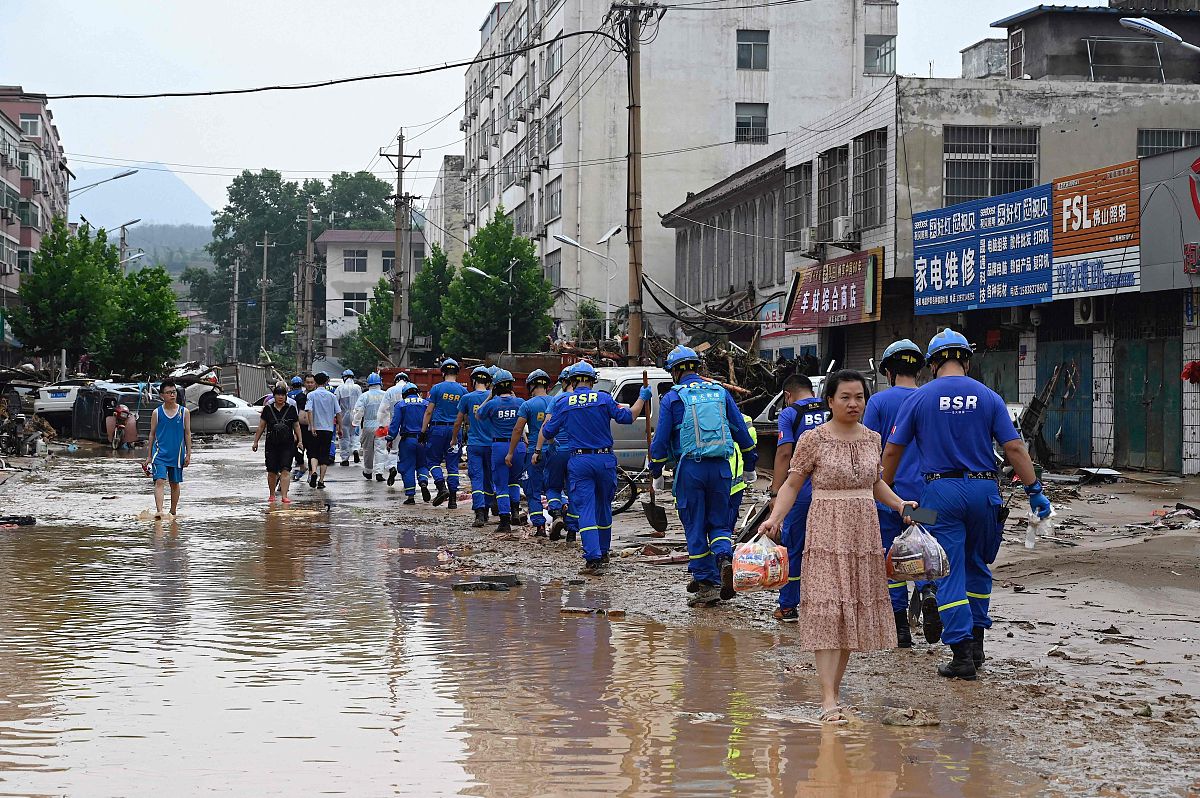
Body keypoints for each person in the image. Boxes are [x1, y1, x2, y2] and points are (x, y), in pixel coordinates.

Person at [883, 329, 1052, 680]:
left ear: (933, 364)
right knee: (978, 566)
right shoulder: (989, 397)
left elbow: (893, 452)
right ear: (966, 361)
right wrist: (1034, 491)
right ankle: (977, 644)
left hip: (940, 494)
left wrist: (882, 488)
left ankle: (961, 654)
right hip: (984, 491)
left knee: (948, 570)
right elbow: (1014, 448)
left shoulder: (919, 398)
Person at [759, 370, 914, 723]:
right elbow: (792, 484)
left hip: (864, 534)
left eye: (859, 397)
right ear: (830, 401)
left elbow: (875, 483)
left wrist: (900, 505)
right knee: (828, 610)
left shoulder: (872, 439)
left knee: (849, 614)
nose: (853, 403)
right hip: (826, 530)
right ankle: (827, 699)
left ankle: (836, 693)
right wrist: (776, 518)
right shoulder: (813, 439)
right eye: (845, 397)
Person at [649, 346, 757, 606]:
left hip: (691, 469)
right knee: (719, 523)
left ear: (674, 372)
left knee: (695, 524)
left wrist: (656, 472)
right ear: (697, 368)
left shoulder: (673, 398)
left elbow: (660, 441)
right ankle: (724, 559)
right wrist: (750, 464)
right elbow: (741, 431)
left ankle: (706, 584)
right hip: (720, 468)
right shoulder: (720, 392)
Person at [539, 361, 650, 576]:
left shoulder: (564, 402)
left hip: (580, 461)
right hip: (605, 459)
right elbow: (629, 417)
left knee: (586, 509)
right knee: (604, 506)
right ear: (592, 381)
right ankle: (604, 551)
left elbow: (548, 431)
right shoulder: (603, 398)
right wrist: (642, 398)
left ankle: (593, 559)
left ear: (572, 382)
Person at [863, 339, 927, 648]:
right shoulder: (929, 398)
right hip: (924, 497)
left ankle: (900, 629)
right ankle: (928, 592)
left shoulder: (878, 402)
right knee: (924, 549)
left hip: (887, 496)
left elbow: (868, 447)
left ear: (888, 372)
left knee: (891, 558)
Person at [771, 374, 830, 623]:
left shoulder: (790, 414)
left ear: (787, 395)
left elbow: (785, 453)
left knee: (794, 547)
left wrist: (776, 492)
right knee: (828, 548)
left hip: (802, 490)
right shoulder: (831, 408)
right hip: (832, 491)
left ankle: (788, 606)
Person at [478, 369, 525, 533]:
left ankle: (505, 521)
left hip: (500, 447)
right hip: (519, 446)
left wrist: (489, 397)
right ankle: (516, 512)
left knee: (501, 484)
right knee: (514, 481)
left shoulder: (492, 404)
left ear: (495, 387)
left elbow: (478, 415)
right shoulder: (520, 402)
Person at [507, 369, 552, 536]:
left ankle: (540, 527)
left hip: (534, 453)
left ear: (531, 386)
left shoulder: (528, 405)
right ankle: (560, 513)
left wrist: (510, 453)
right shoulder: (556, 401)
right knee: (555, 488)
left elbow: (518, 429)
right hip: (555, 451)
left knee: (532, 489)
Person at [451, 366, 495, 527]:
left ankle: (479, 512)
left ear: (473, 380)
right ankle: (488, 509)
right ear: (488, 382)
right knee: (489, 478)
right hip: (492, 445)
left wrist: (454, 439)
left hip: (474, 445)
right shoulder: (493, 399)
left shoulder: (467, 398)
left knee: (477, 478)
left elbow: (458, 422)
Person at [143, 379, 192, 520]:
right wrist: (149, 456)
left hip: (177, 454)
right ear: (162, 395)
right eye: (169, 392)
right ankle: (159, 511)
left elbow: (187, 433)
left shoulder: (184, 412)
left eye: (174, 392)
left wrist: (188, 454)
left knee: (174, 483)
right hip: (159, 453)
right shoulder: (157, 413)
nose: (172, 395)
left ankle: (173, 512)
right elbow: (152, 434)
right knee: (159, 481)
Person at [421, 358, 467, 508]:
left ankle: (441, 487)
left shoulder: (436, 388)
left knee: (432, 461)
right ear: (457, 373)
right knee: (452, 464)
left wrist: (423, 431)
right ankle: (453, 500)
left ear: (443, 372)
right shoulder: (463, 391)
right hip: (455, 430)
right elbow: (465, 416)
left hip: (437, 430)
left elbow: (429, 411)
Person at [538, 367, 577, 541]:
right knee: (574, 489)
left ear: (564, 382)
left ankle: (557, 514)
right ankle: (572, 532)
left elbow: (546, 426)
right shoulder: (584, 400)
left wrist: (543, 447)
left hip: (557, 450)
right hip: (577, 452)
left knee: (553, 487)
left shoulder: (557, 399)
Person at [253, 384, 303, 503]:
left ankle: (284, 496)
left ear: (286, 396)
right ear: (274, 396)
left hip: (287, 445)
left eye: (283, 395)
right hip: (272, 444)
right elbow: (261, 426)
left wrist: (300, 441)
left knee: (286, 469)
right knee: (271, 471)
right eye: (278, 395)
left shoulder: (291, 409)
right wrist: (255, 442)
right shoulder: (268, 409)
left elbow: (296, 426)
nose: (280, 397)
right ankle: (272, 494)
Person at [386, 383, 429, 505]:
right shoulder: (426, 403)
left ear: (404, 394)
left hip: (408, 441)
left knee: (407, 467)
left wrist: (390, 438)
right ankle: (423, 482)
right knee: (423, 465)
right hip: (423, 440)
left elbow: (395, 423)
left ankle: (410, 496)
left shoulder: (401, 405)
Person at [304, 372, 341, 489]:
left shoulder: (311, 395)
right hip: (328, 429)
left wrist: (312, 426)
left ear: (315, 381)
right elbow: (338, 413)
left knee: (313, 453)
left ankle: (314, 471)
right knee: (324, 455)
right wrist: (339, 427)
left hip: (314, 429)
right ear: (326, 382)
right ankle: (321, 480)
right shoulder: (332, 396)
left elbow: (309, 410)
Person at [726, 412, 758, 537]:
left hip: (709, 474)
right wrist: (749, 469)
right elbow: (751, 443)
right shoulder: (743, 419)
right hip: (735, 474)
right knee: (730, 514)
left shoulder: (697, 413)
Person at [377, 372, 409, 487]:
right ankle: (406, 476)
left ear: (396, 380)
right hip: (409, 427)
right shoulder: (411, 389)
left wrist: (382, 425)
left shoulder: (390, 391)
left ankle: (392, 467)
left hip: (394, 425)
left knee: (393, 450)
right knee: (407, 452)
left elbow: (383, 410)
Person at [353, 373, 387, 481]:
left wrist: (355, 423)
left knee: (368, 450)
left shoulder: (364, 396)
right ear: (380, 383)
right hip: (381, 426)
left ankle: (368, 471)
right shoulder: (385, 395)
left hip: (368, 426)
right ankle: (379, 472)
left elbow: (359, 411)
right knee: (380, 450)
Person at [335, 369, 362, 467]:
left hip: (343, 415)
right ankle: (355, 449)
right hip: (355, 414)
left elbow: (336, 403)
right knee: (355, 434)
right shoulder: (357, 388)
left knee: (344, 437)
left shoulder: (340, 388)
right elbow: (361, 402)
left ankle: (345, 459)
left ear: (344, 377)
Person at [287, 376, 308, 481]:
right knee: (301, 444)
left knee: (294, 446)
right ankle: (301, 463)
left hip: (290, 424)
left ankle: (299, 462)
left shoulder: (288, 396)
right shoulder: (303, 395)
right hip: (301, 424)